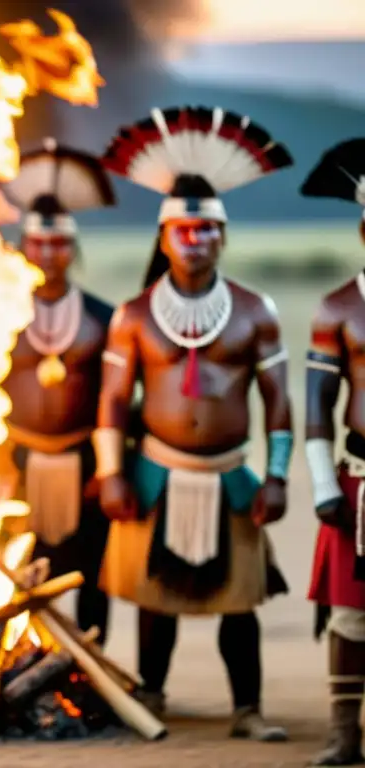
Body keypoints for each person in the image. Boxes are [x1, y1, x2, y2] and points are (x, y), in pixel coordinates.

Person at [96, 105, 293, 740]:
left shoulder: (254, 312)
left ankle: (249, 709)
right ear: (164, 235)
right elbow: (111, 405)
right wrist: (111, 475)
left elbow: (279, 403)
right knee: (158, 601)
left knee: (242, 604)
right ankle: (151, 696)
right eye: (183, 229)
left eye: (207, 230)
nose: (196, 239)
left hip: (230, 472)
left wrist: (281, 476)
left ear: (222, 236)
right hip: (158, 469)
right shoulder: (132, 316)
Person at [0, 137, 117, 644]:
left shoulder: (102, 318)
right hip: (14, 462)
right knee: (11, 569)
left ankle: (89, 669)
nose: (48, 253)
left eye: (59, 243)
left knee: (89, 572)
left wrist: (109, 470)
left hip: (83, 462)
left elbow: (116, 399)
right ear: (23, 245)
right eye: (38, 242)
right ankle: (10, 660)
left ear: (74, 248)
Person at [302, 137, 365, 766]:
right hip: (359, 481)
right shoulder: (339, 308)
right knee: (351, 617)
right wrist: (323, 481)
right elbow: (317, 404)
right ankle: (346, 733)